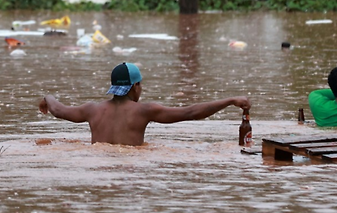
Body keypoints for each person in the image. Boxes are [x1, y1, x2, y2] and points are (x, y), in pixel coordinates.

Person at [38, 62, 251, 146]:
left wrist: (47, 97)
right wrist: (230, 100)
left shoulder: (92, 109)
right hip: (132, 166)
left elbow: (58, 110)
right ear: (134, 87)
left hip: (99, 165)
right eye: (140, 85)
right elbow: (191, 112)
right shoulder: (144, 111)